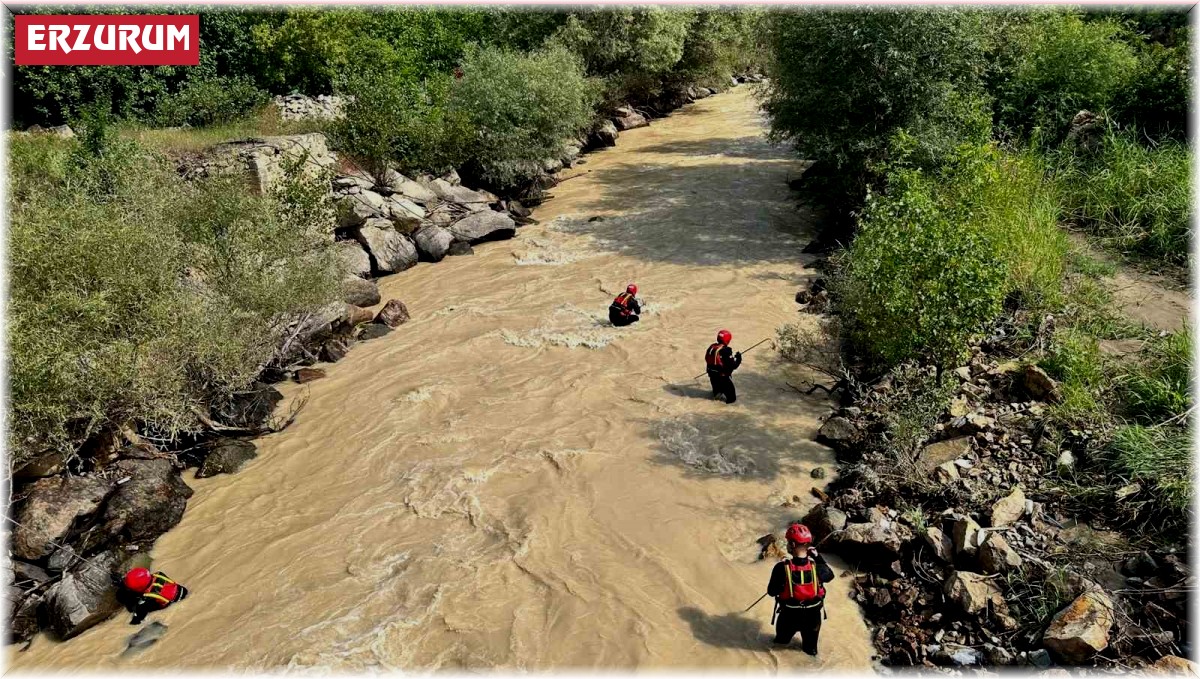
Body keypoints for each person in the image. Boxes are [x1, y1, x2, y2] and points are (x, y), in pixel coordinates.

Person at [766, 523, 834, 655]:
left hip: (789, 617)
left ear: (792, 545)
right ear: (808, 545)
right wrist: (818, 557)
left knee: (779, 646)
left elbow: (771, 592)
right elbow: (830, 575)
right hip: (813, 619)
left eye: (787, 542)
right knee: (811, 652)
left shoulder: (781, 568)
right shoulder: (818, 567)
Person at [120, 567, 189, 625]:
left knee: (131, 607)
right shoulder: (159, 574)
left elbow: (136, 621)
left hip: (168, 603)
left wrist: (134, 621)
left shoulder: (146, 601)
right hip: (182, 591)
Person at [705, 329, 742, 403]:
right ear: (727, 340)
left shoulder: (712, 347)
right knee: (732, 399)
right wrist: (739, 358)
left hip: (712, 376)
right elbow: (733, 366)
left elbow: (707, 359)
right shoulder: (726, 351)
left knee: (717, 396)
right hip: (723, 379)